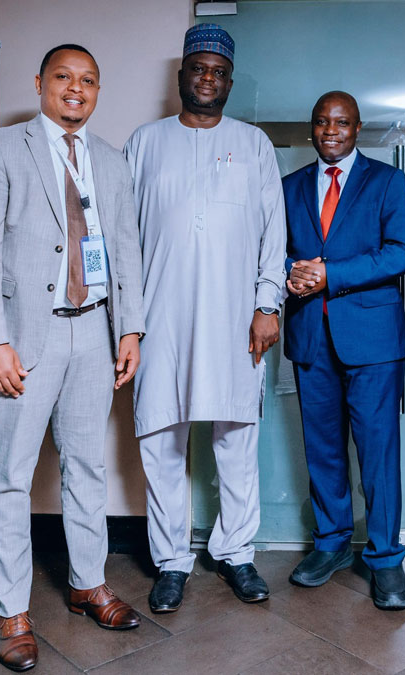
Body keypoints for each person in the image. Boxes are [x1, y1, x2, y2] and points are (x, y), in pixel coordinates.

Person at [0, 44, 146, 671]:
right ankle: (11, 609)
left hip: (93, 331)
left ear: (98, 90)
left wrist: (131, 330)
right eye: (63, 77)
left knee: (87, 466)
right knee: (10, 474)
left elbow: (125, 250)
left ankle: (86, 582)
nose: (75, 89)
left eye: (88, 80)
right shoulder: (0, 149)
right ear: (39, 83)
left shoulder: (112, 162)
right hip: (22, 337)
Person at [124, 23, 286, 613]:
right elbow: (123, 237)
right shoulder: (145, 141)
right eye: (199, 68)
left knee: (236, 436)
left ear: (230, 81)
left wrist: (268, 304)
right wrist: (128, 323)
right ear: (181, 75)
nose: (207, 78)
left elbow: (275, 233)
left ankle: (237, 553)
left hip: (235, 317)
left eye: (218, 71)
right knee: (161, 437)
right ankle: (170, 561)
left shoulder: (254, 144)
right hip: (158, 317)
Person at [281, 91, 405, 609]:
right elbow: (277, 252)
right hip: (311, 338)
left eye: (341, 123)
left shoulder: (386, 181)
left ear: (358, 128)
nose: (330, 131)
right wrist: (289, 279)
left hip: (375, 343)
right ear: (312, 128)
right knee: (324, 451)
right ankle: (332, 544)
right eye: (321, 122)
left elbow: (402, 251)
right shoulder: (290, 186)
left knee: (378, 454)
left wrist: (330, 275)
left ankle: (385, 559)